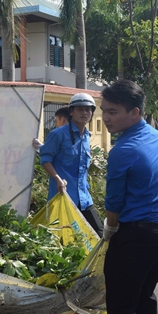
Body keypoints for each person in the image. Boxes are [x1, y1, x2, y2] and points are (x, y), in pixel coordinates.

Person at [101, 80, 158, 314]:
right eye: (104, 110)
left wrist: (110, 228)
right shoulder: (157, 138)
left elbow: (114, 203)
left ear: (134, 113)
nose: (105, 118)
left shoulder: (123, 150)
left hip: (137, 238)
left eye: (113, 112)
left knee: (121, 308)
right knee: (144, 297)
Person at [39, 93, 103, 236]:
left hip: (84, 199)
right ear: (71, 112)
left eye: (88, 110)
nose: (84, 113)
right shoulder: (58, 134)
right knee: (65, 238)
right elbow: (45, 159)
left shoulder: (87, 136)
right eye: (80, 109)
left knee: (99, 234)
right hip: (64, 197)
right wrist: (57, 179)